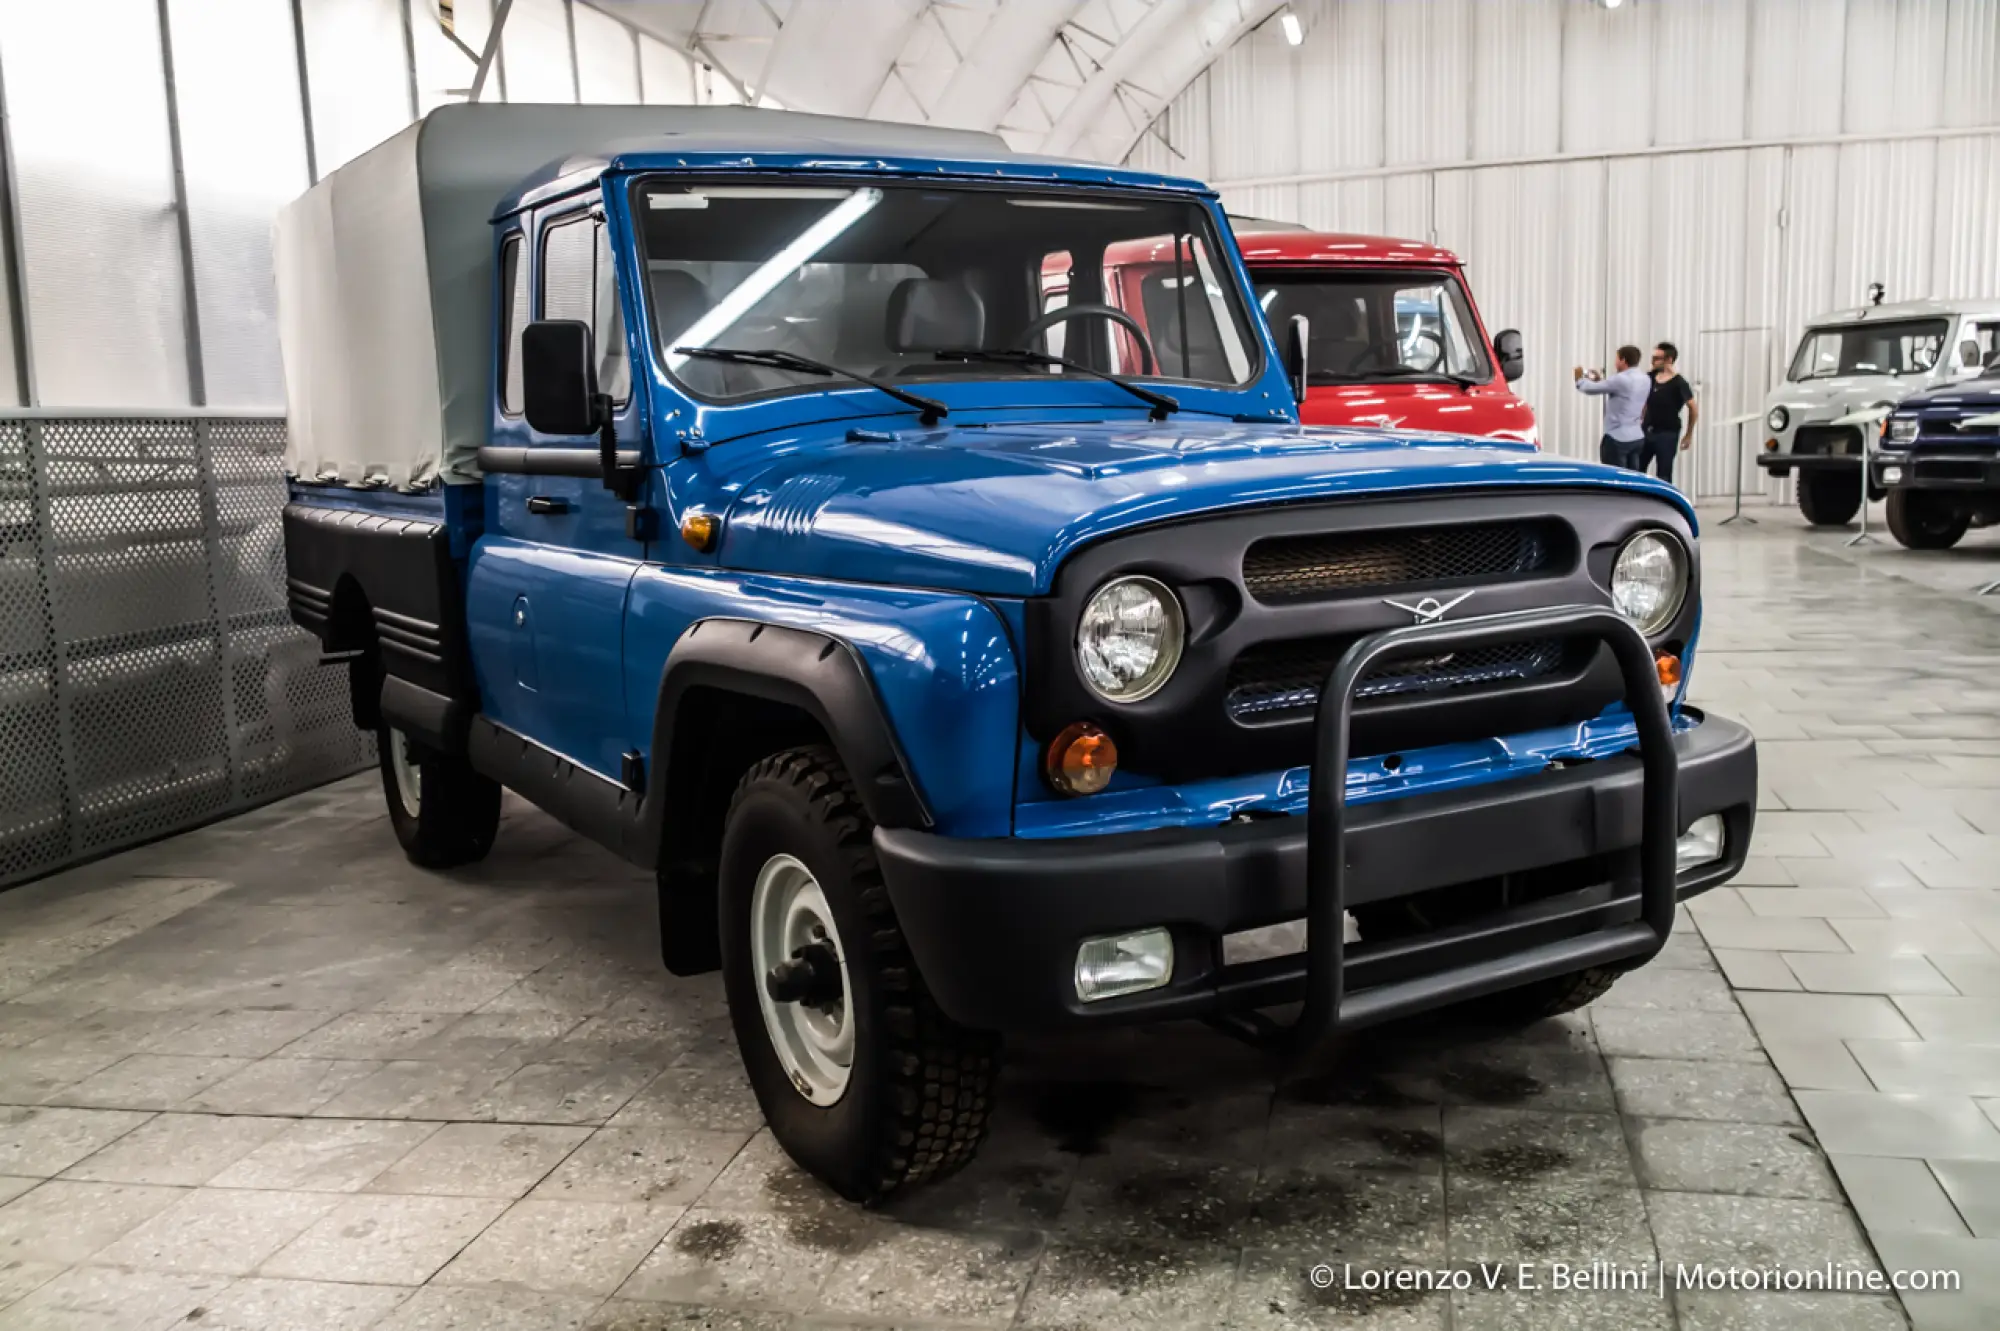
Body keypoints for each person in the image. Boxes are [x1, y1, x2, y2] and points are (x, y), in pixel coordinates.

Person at [1574, 346, 1650, 470]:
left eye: (1616, 359)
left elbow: (1589, 389)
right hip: (1637, 436)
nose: (1615, 362)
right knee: (1633, 477)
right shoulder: (1645, 379)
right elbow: (1622, 391)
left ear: (1623, 360)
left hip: (1618, 437)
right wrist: (1601, 381)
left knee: (1615, 478)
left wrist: (1579, 380)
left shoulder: (1620, 379)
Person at [1642, 342, 1698, 483]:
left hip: (1667, 433)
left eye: (1657, 358)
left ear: (1669, 360)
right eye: (1652, 358)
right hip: (1647, 431)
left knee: (1664, 474)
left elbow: (1693, 407)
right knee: (1638, 469)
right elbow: (1643, 402)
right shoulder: (1649, 377)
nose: (1653, 361)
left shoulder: (1679, 383)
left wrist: (1688, 434)